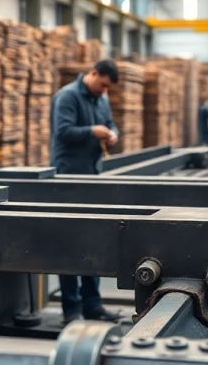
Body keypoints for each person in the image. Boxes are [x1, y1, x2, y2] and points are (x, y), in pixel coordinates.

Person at [50, 59, 123, 324]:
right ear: (93, 74)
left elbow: (109, 122)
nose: (104, 91)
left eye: (108, 88)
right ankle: (72, 309)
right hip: (68, 178)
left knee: (92, 240)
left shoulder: (100, 99)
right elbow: (63, 132)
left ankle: (93, 305)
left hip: (92, 178)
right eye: (102, 85)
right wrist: (93, 131)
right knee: (69, 243)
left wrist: (112, 133)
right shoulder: (67, 97)